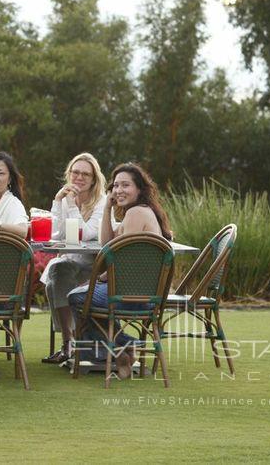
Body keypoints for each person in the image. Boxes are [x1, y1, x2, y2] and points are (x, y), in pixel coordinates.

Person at [67, 162, 173, 379]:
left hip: (135, 294)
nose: (119, 190)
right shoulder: (136, 212)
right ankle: (119, 351)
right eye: (115, 186)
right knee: (85, 295)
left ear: (139, 189)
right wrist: (106, 208)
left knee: (77, 297)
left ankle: (124, 345)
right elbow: (106, 242)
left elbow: (124, 260)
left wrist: (98, 279)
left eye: (126, 185)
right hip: (142, 292)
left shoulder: (136, 213)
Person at [40, 153, 108, 364]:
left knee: (56, 275)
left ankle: (70, 342)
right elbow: (55, 234)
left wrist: (70, 205)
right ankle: (71, 340)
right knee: (57, 271)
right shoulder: (65, 197)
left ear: (94, 179)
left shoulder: (103, 202)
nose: (79, 177)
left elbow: (85, 233)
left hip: (94, 267)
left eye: (85, 174)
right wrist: (58, 201)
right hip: (70, 264)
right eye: (75, 172)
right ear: (69, 174)